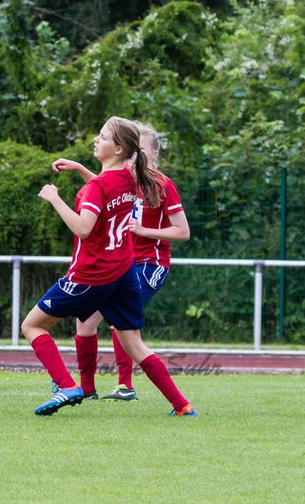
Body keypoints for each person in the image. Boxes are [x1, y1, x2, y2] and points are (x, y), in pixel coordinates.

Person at [25, 116, 195, 417]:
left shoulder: (99, 188)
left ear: (118, 149)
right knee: (134, 343)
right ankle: (182, 406)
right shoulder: (131, 181)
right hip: (124, 272)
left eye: (102, 136)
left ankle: (67, 385)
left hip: (91, 274)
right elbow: (105, 188)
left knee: (32, 325)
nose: (96, 140)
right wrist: (80, 169)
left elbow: (83, 229)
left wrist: (54, 198)